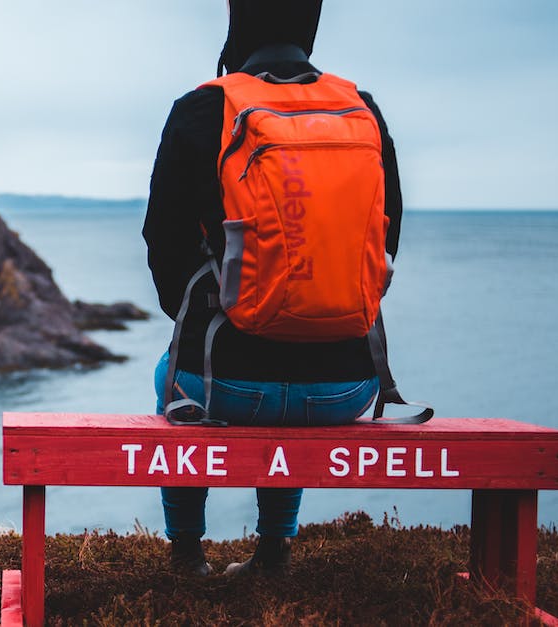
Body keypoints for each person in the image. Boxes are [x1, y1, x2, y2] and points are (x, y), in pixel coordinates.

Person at [142, 0, 404, 576]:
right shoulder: (363, 111)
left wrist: (217, 316)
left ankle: (187, 554)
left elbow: (162, 240)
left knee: (170, 376)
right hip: (347, 389)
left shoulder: (202, 108)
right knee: (294, 385)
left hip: (222, 385)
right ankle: (273, 550)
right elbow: (387, 243)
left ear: (237, 21)